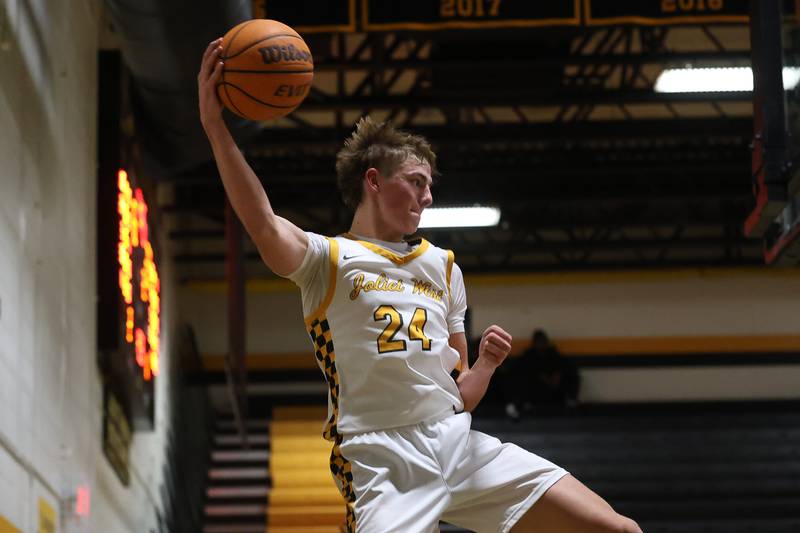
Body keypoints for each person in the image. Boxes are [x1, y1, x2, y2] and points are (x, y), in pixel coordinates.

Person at [198, 38, 641, 533]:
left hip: (456, 444)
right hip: (381, 457)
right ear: (374, 181)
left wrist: (489, 365)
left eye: (430, 186)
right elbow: (260, 220)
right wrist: (216, 128)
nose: (427, 197)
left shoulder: (444, 266)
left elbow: (462, 395)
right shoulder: (328, 258)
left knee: (618, 529)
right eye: (416, 181)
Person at [504, 330, 581, 420]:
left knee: (573, 376)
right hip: (534, 390)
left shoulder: (553, 355)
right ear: (534, 343)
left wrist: (557, 375)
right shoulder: (528, 356)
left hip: (554, 390)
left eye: (543, 341)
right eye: (539, 342)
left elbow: (565, 367)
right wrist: (539, 377)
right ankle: (517, 406)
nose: (541, 344)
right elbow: (519, 371)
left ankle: (571, 402)